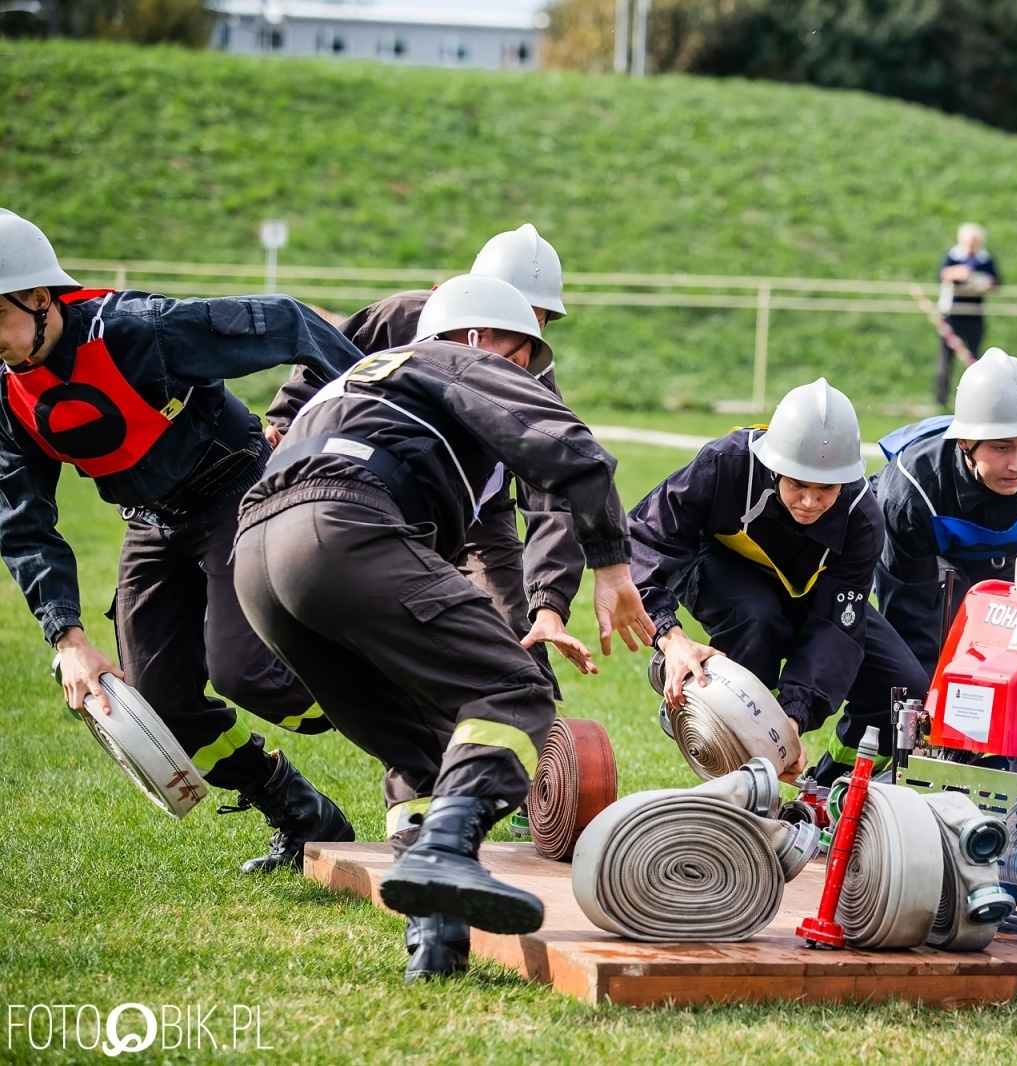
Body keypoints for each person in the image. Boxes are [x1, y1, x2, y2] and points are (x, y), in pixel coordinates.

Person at [234, 275, 654, 981]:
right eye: (523, 353)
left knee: (427, 744)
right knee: (512, 691)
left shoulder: (364, 375)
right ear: (478, 336)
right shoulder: (455, 358)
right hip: (342, 526)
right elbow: (568, 447)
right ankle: (445, 853)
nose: (524, 373)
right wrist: (612, 566)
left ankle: (435, 941)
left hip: (257, 556)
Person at [0, 211, 359, 874]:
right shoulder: (6, 396)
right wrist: (67, 637)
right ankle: (302, 815)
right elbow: (23, 520)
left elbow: (289, 321)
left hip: (238, 494)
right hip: (153, 522)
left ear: (40, 297)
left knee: (248, 673)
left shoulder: (140, 330)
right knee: (159, 704)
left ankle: (411, 708)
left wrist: (377, 430)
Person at [273, 224, 593, 680]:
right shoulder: (399, 318)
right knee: (388, 633)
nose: (520, 332)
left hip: (482, 513)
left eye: (538, 319)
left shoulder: (532, 371)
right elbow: (323, 369)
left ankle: (533, 736)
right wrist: (285, 425)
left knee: (512, 640)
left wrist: (549, 604)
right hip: (384, 496)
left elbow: (554, 492)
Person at [630, 378, 928, 786]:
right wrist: (670, 635)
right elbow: (645, 537)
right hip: (718, 562)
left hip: (805, 586)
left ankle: (828, 788)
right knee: (758, 617)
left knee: (904, 686)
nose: (810, 501)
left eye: (826, 489)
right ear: (775, 468)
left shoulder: (863, 520)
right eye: (797, 484)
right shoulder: (725, 463)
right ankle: (711, 726)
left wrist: (791, 716)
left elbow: (836, 630)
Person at [875, 348, 1017, 676]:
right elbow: (909, 621)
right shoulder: (910, 490)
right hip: (929, 571)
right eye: (1001, 447)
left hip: (1005, 562)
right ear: (965, 441)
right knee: (916, 668)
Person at [934, 223, 1000, 407]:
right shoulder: (954, 256)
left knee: (975, 357)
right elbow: (942, 274)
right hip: (952, 313)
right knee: (946, 358)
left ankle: (976, 398)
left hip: (974, 314)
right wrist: (959, 273)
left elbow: (996, 281)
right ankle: (941, 399)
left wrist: (982, 281)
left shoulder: (984, 259)